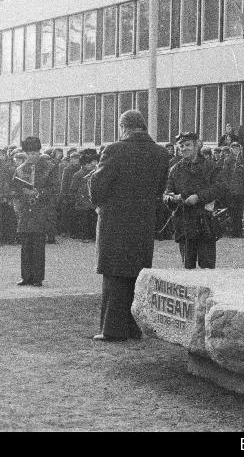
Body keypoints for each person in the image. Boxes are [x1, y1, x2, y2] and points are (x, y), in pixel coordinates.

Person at [89, 110, 170, 342]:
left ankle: (112, 329)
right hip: (143, 220)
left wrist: (97, 199)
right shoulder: (161, 153)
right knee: (136, 273)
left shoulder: (114, 149)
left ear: (123, 126)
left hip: (115, 221)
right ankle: (134, 328)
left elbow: (98, 187)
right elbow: (159, 188)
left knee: (114, 275)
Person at [163, 132, 227, 269]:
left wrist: (198, 197)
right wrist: (174, 198)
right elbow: (167, 193)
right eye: (181, 146)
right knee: (187, 269)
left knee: (207, 268)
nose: (184, 148)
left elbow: (220, 187)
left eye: (188, 145)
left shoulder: (210, 167)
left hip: (205, 223)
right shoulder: (175, 170)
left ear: (196, 146)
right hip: (184, 224)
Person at [13, 137, 56, 287]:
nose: (32, 156)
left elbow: (53, 190)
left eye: (35, 153)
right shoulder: (20, 169)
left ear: (39, 152)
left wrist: (38, 193)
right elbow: (15, 191)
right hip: (25, 211)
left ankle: (38, 277)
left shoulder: (49, 167)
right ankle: (26, 276)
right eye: (29, 153)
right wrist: (22, 195)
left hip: (41, 211)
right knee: (25, 246)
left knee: (38, 245)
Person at [70, 149, 99, 242]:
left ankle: (91, 236)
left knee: (92, 219)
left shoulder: (92, 174)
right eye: (90, 164)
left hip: (90, 200)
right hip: (82, 202)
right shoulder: (78, 175)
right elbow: (73, 189)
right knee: (84, 220)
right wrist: (79, 199)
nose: (92, 165)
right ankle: (84, 236)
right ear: (85, 164)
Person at [222, 142, 244, 238]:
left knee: (239, 211)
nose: (236, 150)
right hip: (232, 190)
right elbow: (225, 176)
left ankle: (239, 232)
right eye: (234, 148)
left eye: (237, 148)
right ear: (231, 149)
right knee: (232, 211)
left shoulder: (243, 160)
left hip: (240, 190)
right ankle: (233, 231)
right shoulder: (228, 160)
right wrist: (228, 188)